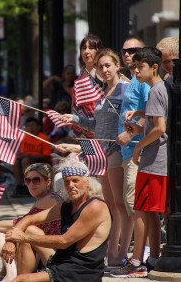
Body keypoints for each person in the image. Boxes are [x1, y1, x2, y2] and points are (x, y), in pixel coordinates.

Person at [60, 48, 128, 266]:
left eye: (108, 65)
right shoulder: (103, 93)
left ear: (118, 66)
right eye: (101, 67)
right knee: (109, 205)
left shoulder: (125, 90)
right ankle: (111, 250)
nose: (104, 69)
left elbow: (134, 120)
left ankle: (121, 253)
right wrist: (75, 118)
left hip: (116, 152)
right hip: (100, 153)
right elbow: (96, 125)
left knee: (119, 204)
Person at [111, 47, 170, 278]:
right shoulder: (160, 88)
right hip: (156, 159)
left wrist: (137, 145)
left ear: (154, 67)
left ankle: (137, 261)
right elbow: (155, 126)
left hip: (154, 160)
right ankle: (153, 258)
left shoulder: (156, 90)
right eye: (133, 67)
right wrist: (138, 126)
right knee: (150, 212)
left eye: (140, 66)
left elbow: (160, 129)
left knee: (142, 209)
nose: (135, 71)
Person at [4, 159, 111, 282]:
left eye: (75, 181)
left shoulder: (95, 206)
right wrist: (11, 240)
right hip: (63, 261)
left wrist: (22, 237)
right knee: (29, 230)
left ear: (87, 182)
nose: (71, 186)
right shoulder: (68, 204)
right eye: (67, 182)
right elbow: (30, 218)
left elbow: (64, 241)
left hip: (80, 272)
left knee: (21, 280)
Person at [0, 163, 63, 282]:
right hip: (41, 251)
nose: (31, 184)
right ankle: (8, 272)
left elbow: (22, 222)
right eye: (28, 180)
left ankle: (12, 275)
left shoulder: (50, 199)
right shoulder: (45, 199)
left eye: (36, 180)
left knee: (26, 231)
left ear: (48, 182)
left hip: (53, 255)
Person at [115, 36, 151, 264]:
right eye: (124, 51)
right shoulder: (133, 79)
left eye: (134, 50)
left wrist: (132, 133)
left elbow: (155, 115)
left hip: (139, 152)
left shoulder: (143, 81)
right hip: (128, 153)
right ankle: (140, 255)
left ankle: (142, 257)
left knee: (137, 205)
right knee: (132, 205)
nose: (128, 54)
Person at [70, 34, 104, 140]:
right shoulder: (82, 71)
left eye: (91, 48)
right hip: (80, 129)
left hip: (96, 128)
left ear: (98, 51)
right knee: (86, 156)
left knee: (97, 156)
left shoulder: (102, 72)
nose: (86, 51)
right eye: (84, 48)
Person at [13, 117, 52, 197]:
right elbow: (23, 153)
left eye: (33, 125)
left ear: (38, 127)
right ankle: (19, 185)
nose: (31, 128)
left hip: (42, 162)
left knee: (25, 160)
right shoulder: (25, 138)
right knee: (15, 161)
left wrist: (30, 156)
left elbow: (46, 156)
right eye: (28, 126)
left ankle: (27, 186)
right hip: (28, 159)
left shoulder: (43, 138)